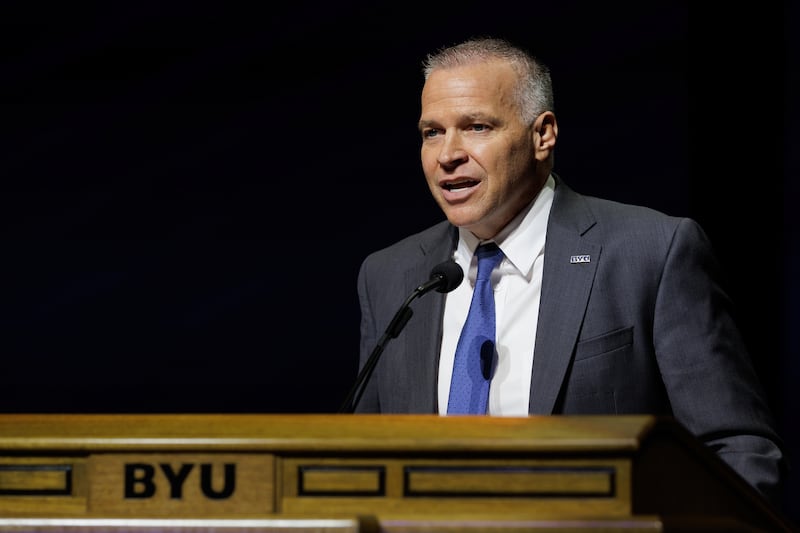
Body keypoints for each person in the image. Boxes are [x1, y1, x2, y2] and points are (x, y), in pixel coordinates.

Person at [352, 37, 787, 508]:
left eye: (476, 126)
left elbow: (737, 452)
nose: (447, 155)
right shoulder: (391, 276)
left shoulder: (651, 254)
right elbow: (362, 462)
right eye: (431, 132)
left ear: (543, 135)